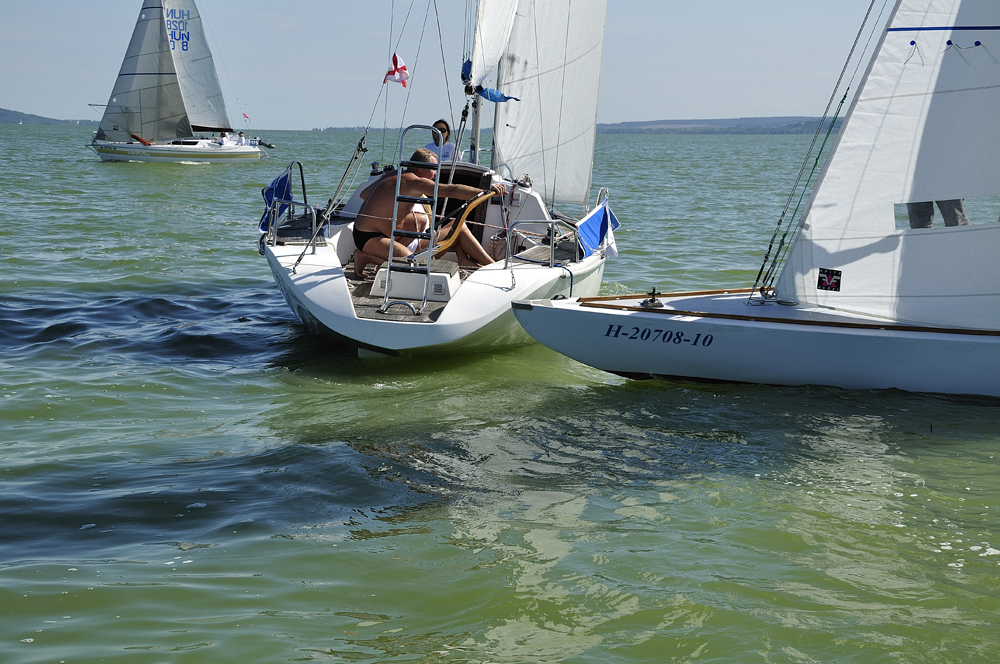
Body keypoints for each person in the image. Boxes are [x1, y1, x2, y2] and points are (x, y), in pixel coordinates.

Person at [351, 148, 503, 277]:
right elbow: (451, 190)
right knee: (414, 266)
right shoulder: (414, 182)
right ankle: (366, 257)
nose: (436, 174)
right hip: (370, 237)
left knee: (456, 227)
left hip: (379, 233)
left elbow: (364, 193)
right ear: (419, 169)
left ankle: (491, 266)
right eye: (433, 169)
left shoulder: (394, 175)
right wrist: (486, 192)